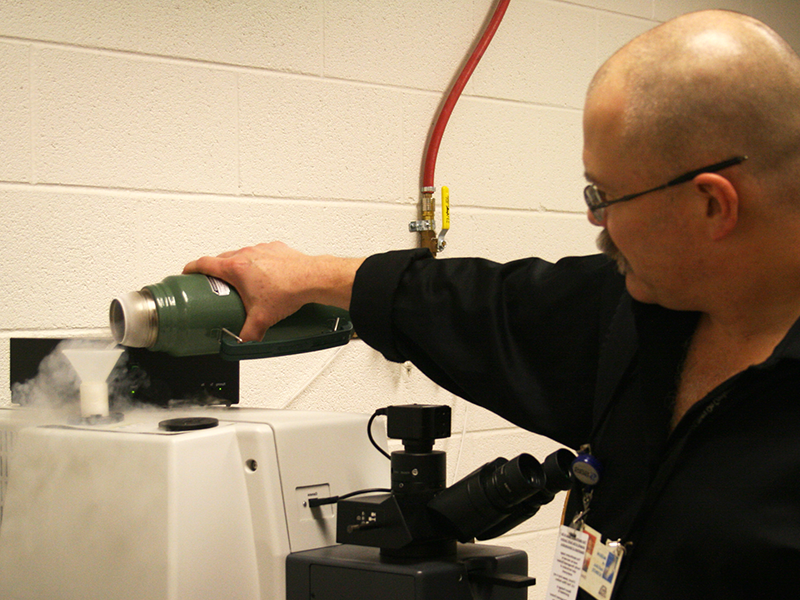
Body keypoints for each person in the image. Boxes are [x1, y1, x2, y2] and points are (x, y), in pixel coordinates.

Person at [184, 10, 800, 599]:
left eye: (605, 195)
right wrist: (307, 275)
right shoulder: (648, 307)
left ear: (713, 205)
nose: (596, 223)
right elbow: (489, 309)